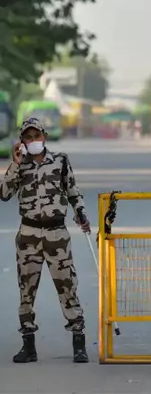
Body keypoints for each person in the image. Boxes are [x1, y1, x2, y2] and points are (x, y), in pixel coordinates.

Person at [0, 118, 91, 363]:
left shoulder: (60, 161)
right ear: (22, 141)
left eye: (36, 136)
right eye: (27, 137)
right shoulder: (21, 166)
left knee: (67, 286)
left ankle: (79, 343)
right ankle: (28, 346)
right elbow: (4, 194)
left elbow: (73, 192)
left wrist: (80, 212)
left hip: (56, 234)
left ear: (44, 136)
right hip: (29, 234)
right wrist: (15, 164)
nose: (32, 141)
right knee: (26, 290)